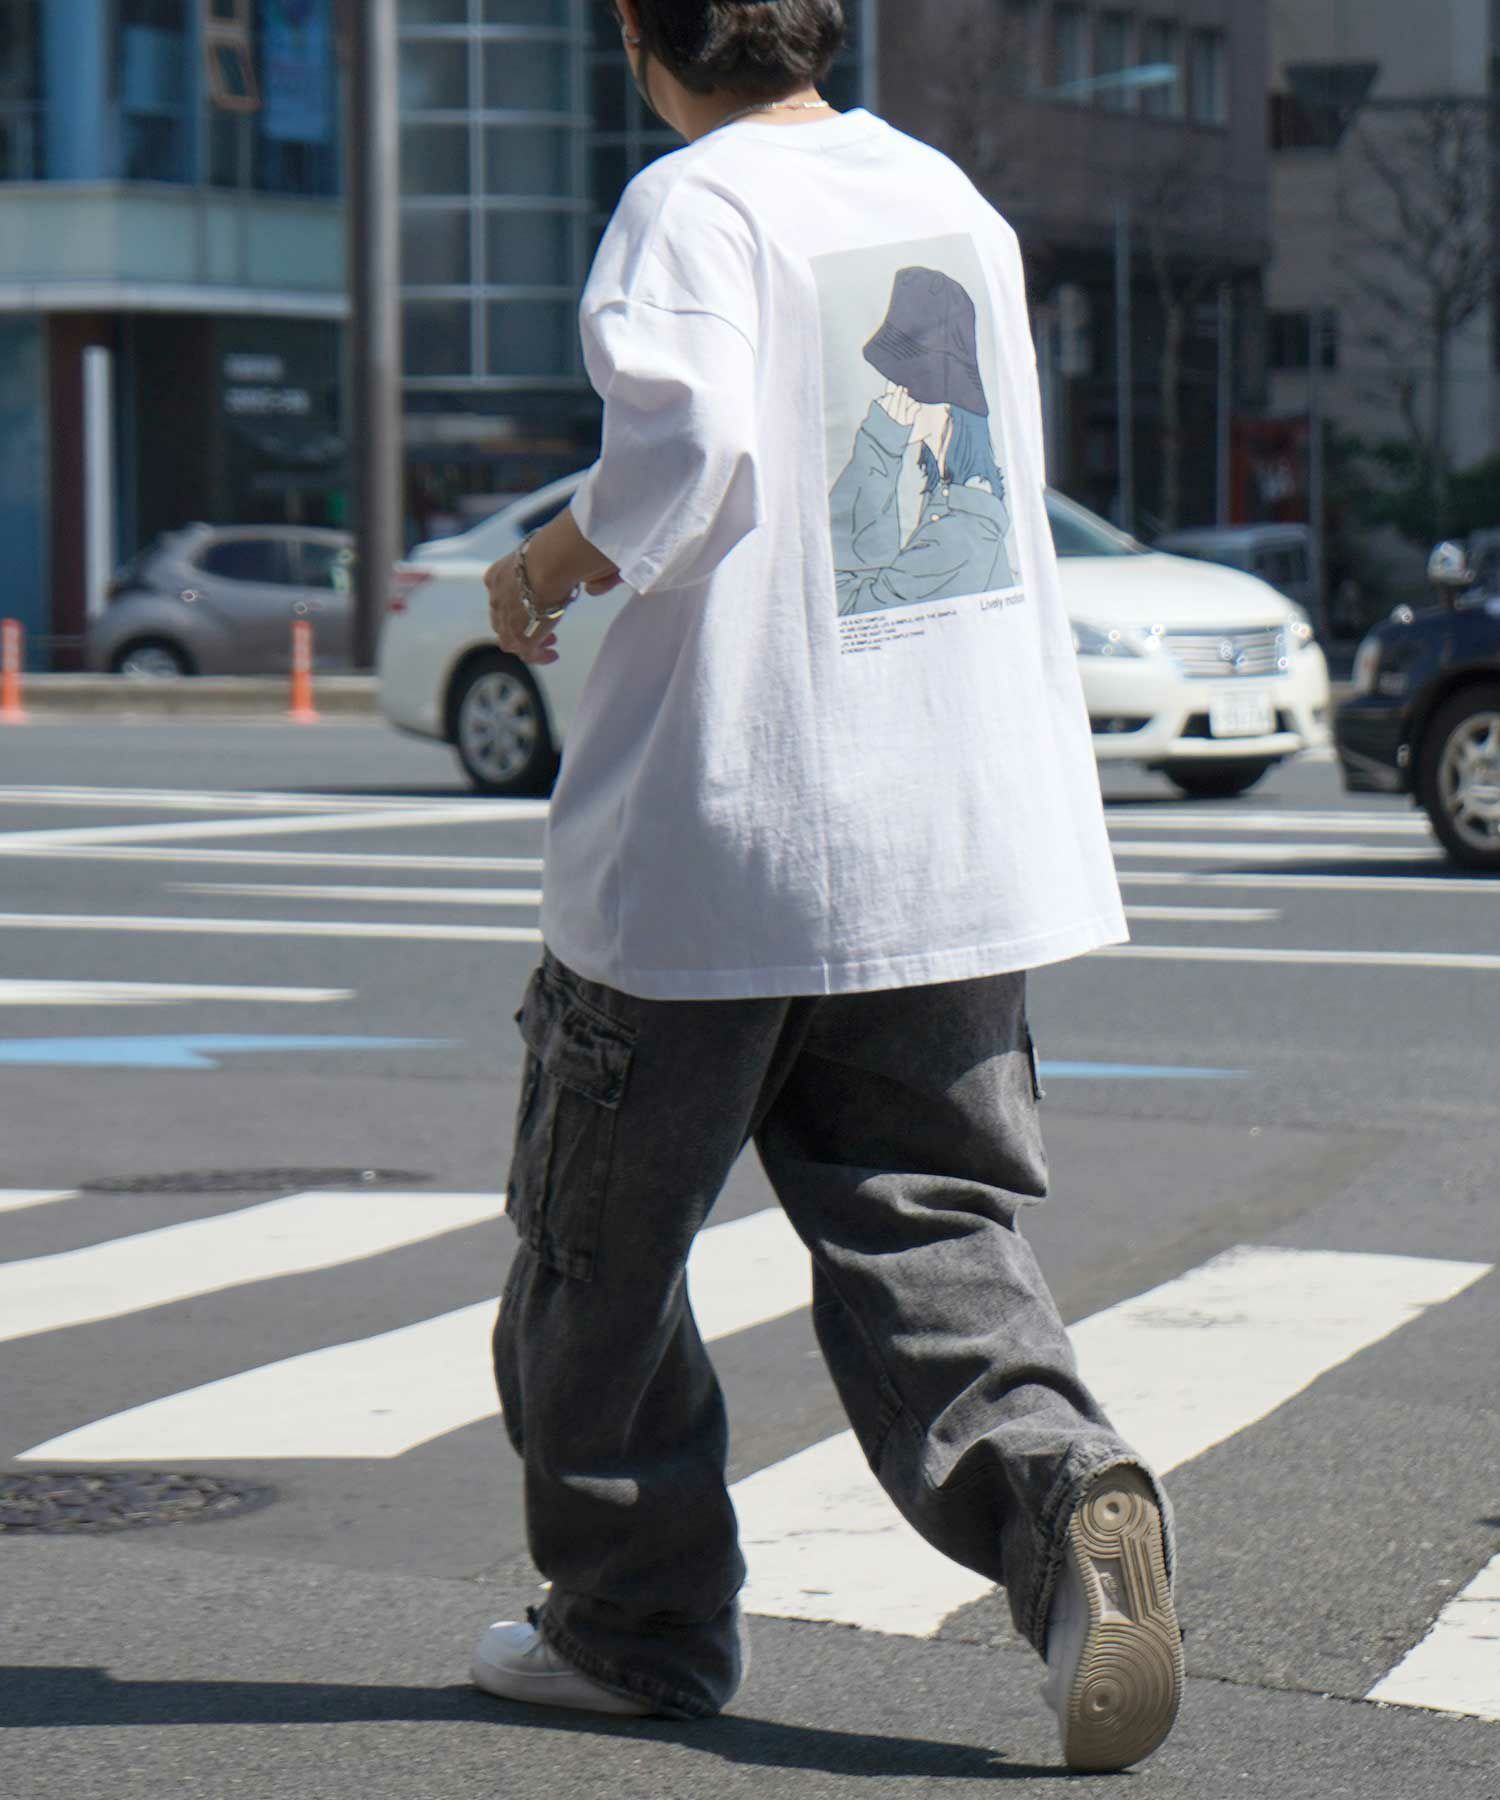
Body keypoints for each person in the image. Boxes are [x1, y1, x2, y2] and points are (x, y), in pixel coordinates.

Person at [474, 0, 1183, 1774]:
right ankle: (1067, 1499)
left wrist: (547, 561)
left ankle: (631, 1629)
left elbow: (686, 447)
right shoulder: (948, 199)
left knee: (596, 1258)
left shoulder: (694, 202)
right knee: (926, 1226)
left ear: (643, 36)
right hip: (945, 833)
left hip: (723, 838)